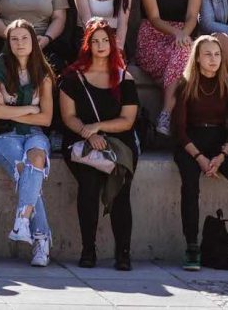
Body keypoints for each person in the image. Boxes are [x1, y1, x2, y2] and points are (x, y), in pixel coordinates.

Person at [171, 32, 228, 271]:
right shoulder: (185, 85)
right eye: (207, 54)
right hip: (190, 142)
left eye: (217, 54)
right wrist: (199, 158)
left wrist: (221, 156)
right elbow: (178, 130)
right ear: (197, 58)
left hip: (220, 141)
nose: (213, 59)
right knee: (190, 185)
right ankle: (192, 247)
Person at [58, 15, 139, 270]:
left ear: (113, 44)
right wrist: (88, 133)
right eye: (96, 41)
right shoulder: (73, 77)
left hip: (118, 142)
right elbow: (68, 116)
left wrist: (100, 128)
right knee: (89, 186)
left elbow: (127, 120)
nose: (101, 45)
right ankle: (88, 250)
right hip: (82, 142)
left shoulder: (124, 77)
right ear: (88, 45)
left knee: (120, 190)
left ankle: (123, 253)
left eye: (106, 40)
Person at [0, 17, 57, 266]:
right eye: (14, 39)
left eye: (25, 38)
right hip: (4, 134)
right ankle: (41, 239)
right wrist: (30, 109)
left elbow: (46, 118)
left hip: (34, 133)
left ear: (33, 42)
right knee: (26, 171)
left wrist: (25, 110)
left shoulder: (43, 73)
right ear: (8, 42)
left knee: (37, 158)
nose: (20, 43)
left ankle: (22, 221)